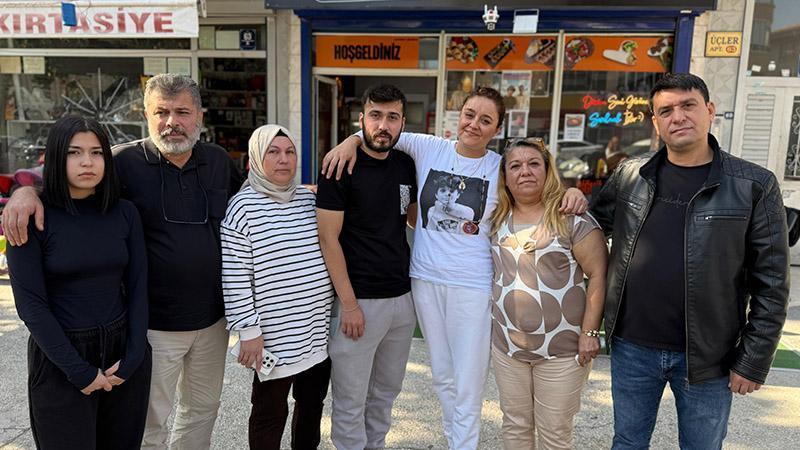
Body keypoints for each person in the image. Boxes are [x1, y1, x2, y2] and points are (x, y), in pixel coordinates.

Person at [323, 86, 587, 449]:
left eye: (485, 120)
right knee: (443, 377)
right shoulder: (428, 147)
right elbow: (381, 130)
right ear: (458, 116)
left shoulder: (499, 167)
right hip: (424, 280)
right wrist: (348, 142)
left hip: (473, 284)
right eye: (469, 115)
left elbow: (537, 184)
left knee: (467, 382)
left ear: (497, 129)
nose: (474, 124)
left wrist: (572, 192)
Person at [3, 73, 243, 449]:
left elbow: (256, 201)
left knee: (202, 410)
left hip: (213, 321)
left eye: (182, 112)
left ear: (200, 115)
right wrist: (25, 193)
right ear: (146, 116)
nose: (172, 122)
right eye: (161, 112)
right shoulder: (121, 162)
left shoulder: (218, 161)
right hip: (153, 326)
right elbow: (69, 180)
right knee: (149, 424)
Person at [590, 72, 789, 449]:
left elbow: (773, 281)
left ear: (710, 110)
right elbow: (590, 227)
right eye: (666, 111)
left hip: (710, 355)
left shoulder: (753, 184)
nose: (678, 117)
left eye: (688, 105)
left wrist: (754, 358)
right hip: (632, 346)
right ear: (655, 122)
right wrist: (570, 202)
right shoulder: (631, 174)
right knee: (627, 442)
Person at [7, 116, 150, 449]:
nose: (87, 162)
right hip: (61, 358)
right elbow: (31, 307)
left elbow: (138, 286)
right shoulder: (32, 217)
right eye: (75, 152)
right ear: (57, 156)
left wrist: (134, 356)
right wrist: (79, 371)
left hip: (122, 355)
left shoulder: (125, 213)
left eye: (97, 152)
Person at [316, 84, 418, 450]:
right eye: (375, 115)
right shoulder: (339, 166)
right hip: (358, 301)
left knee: (386, 393)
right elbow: (328, 239)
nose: (383, 125)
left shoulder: (406, 164)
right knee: (350, 398)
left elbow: (411, 219)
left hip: (402, 300)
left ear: (402, 122)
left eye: (392, 117)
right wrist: (348, 304)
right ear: (361, 119)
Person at [221, 124, 334, 449]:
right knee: (269, 413)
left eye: (289, 152)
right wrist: (248, 331)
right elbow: (235, 276)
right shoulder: (241, 208)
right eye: (273, 152)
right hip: (273, 337)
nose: (283, 159)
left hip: (315, 332)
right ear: (256, 159)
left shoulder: (308, 200)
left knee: (311, 406)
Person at [489, 137, 607, 449]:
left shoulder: (572, 218)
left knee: (554, 434)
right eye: (515, 166)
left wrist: (590, 332)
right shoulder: (495, 218)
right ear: (505, 177)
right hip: (508, 348)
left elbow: (598, 275)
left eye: (533, 164)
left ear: (547, 170)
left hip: (562, 352)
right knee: (515, 425)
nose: (525, 171)